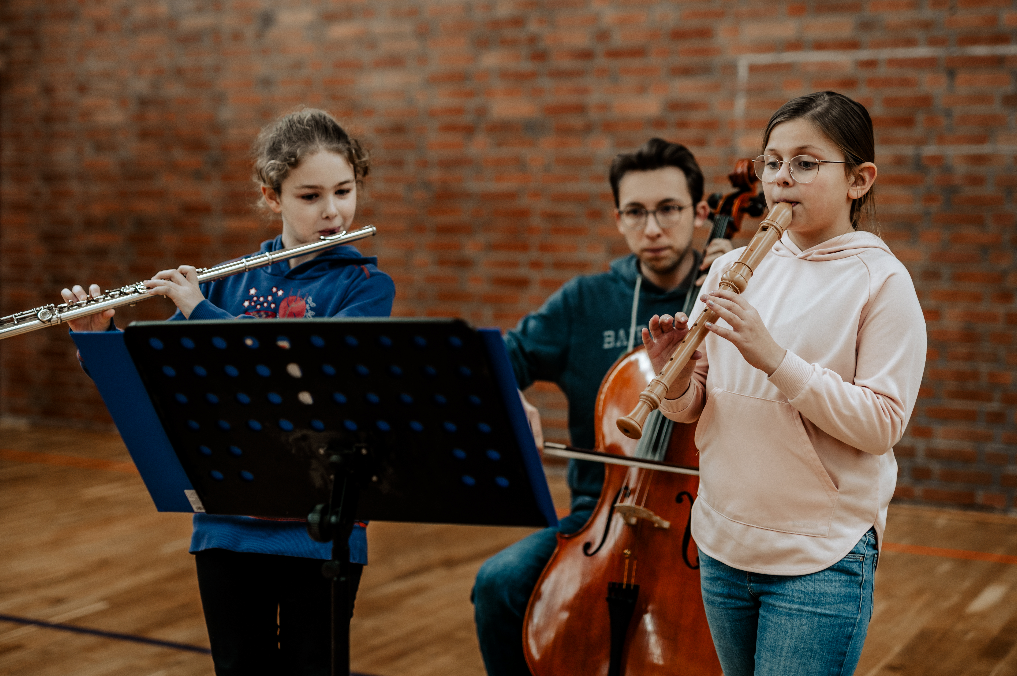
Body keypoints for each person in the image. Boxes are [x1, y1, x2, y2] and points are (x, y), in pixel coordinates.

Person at [62, 108, 395, 676]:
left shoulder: (365, 287)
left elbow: (308, 372)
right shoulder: (228, 281)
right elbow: (155, 378)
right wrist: (100, 342)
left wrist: (201, 312)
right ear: (272, 196)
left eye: (344, 191)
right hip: (226, 520)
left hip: (320, 526)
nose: (333, 211)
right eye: (310, 196)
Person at [643, 91, 926, 676]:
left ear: (859, 180)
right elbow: (693, 407)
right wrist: (674, 377)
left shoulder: (882, 281)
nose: (781, 178)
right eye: (772, 162)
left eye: (805, 163)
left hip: (820, 557)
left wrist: (773, 357)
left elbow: (881, 426)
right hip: (721, 541)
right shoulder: (730, 268)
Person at [472, 138, 732, 675]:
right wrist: (513, 399)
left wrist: (739, 286)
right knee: (498, 583)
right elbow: (497, 362)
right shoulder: (584, 301)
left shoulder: (729, 298)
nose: (652, 228)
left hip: (701, 525)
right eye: (635, 212)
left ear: (701, 213)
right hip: (599, 517)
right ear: (618, 219)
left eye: (669, 209)